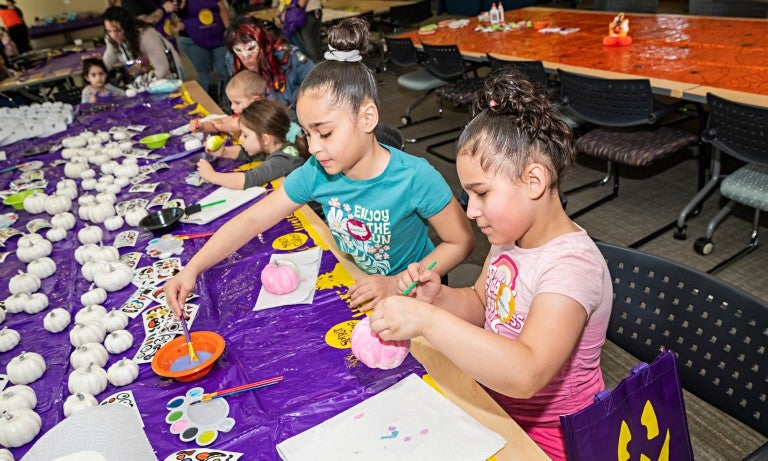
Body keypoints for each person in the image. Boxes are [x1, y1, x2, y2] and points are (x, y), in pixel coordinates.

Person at [364, 68, 612, 460]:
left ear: (534, 181)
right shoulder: (509, 239)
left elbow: (527, 372)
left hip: (555, 437)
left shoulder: (572, 266)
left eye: (480, 193)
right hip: (495, 403)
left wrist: (429, 322)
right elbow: (483, 305)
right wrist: (439, 298)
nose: (472, 211)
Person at [164, 17, 474, 315]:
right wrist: (192, 269)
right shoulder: (316, 171)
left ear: (367, 117)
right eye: (308, 133)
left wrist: (397, 284)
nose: (312, 147)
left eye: (325, 133)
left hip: (418, 294)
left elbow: (461, 241)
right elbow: (250, 222)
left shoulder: (415, 177)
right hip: (360, 281)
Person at [198, 98, 308, 189]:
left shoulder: (284, 158)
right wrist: (224, 152)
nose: (240, 139)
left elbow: (248, 180)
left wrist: (212, 176)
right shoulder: (274, 145)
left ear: (265, 139)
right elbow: (245, 153)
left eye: (245, 135)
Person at [225, 14, 314, 109]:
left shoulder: (287, 55)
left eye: (251, 48)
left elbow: (317, 80)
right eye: (238, 50)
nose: (246, 56)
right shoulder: (232, 60)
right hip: (254, 118)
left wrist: (297, 106)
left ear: (262, 43)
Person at [102, 6, 183, 82]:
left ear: (126, 27)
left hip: (168, 72)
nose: (113, 35)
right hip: (143, 73)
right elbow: (109, 56)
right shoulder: (110, 38)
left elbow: (162, 68)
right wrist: (99, 74)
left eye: (117, 30)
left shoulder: (145, 36)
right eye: (109, 31)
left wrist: (147, 84)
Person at [174, 0, 230, 95]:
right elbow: (172, 14)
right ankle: (212, 104)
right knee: (205, 73)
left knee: (224, 69)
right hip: (192, 39)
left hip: (218, 36)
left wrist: (228, 29)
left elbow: (221, 7)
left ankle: (230, 102)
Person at [190, 66, 267, 136]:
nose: (232, 107)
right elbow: (223, 121)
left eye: (237, 103)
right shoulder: (244, 112)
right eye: (231, 102)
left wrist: (219, 126)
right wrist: (202, 126)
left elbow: (231, 125)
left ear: (256, 100)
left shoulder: (259, 117)